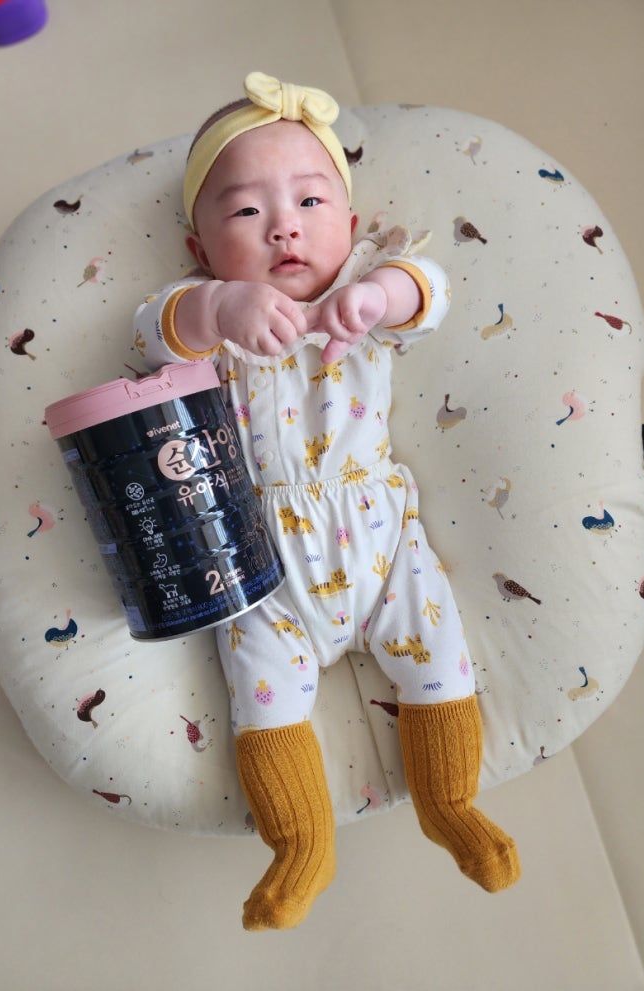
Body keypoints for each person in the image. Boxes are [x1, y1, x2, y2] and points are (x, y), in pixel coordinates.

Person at [133, 71, 520, 931]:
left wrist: (376, 295)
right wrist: (221, 306)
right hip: (260, 561)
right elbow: (152, 327)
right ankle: (299, 846)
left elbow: (429, 290)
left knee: (437, 658)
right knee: (261, 693)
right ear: (200, 248)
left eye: (309, 201)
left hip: (381, 541)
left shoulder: (369, 293)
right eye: (245, 212)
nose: (283, 225)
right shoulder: (216, 323)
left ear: (349, 224)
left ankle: (450, 804)